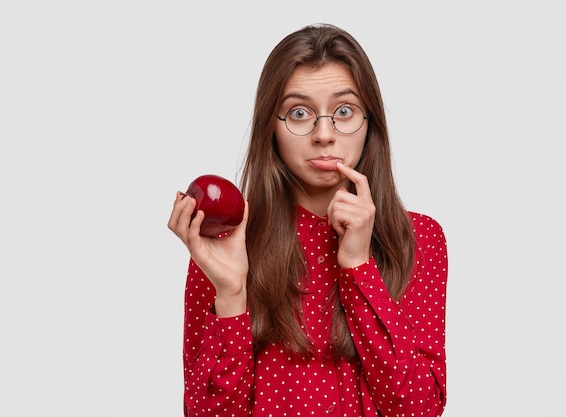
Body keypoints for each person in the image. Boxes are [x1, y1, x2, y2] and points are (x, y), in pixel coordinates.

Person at [168, 23, 448, 417]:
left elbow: (419, 408)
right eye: (299, 113)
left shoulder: (419, 238)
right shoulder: (227, 242)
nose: (324, 134)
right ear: (271, 127)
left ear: (371, 123)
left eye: (344, 111)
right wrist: (231, 294)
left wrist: (358, 266)